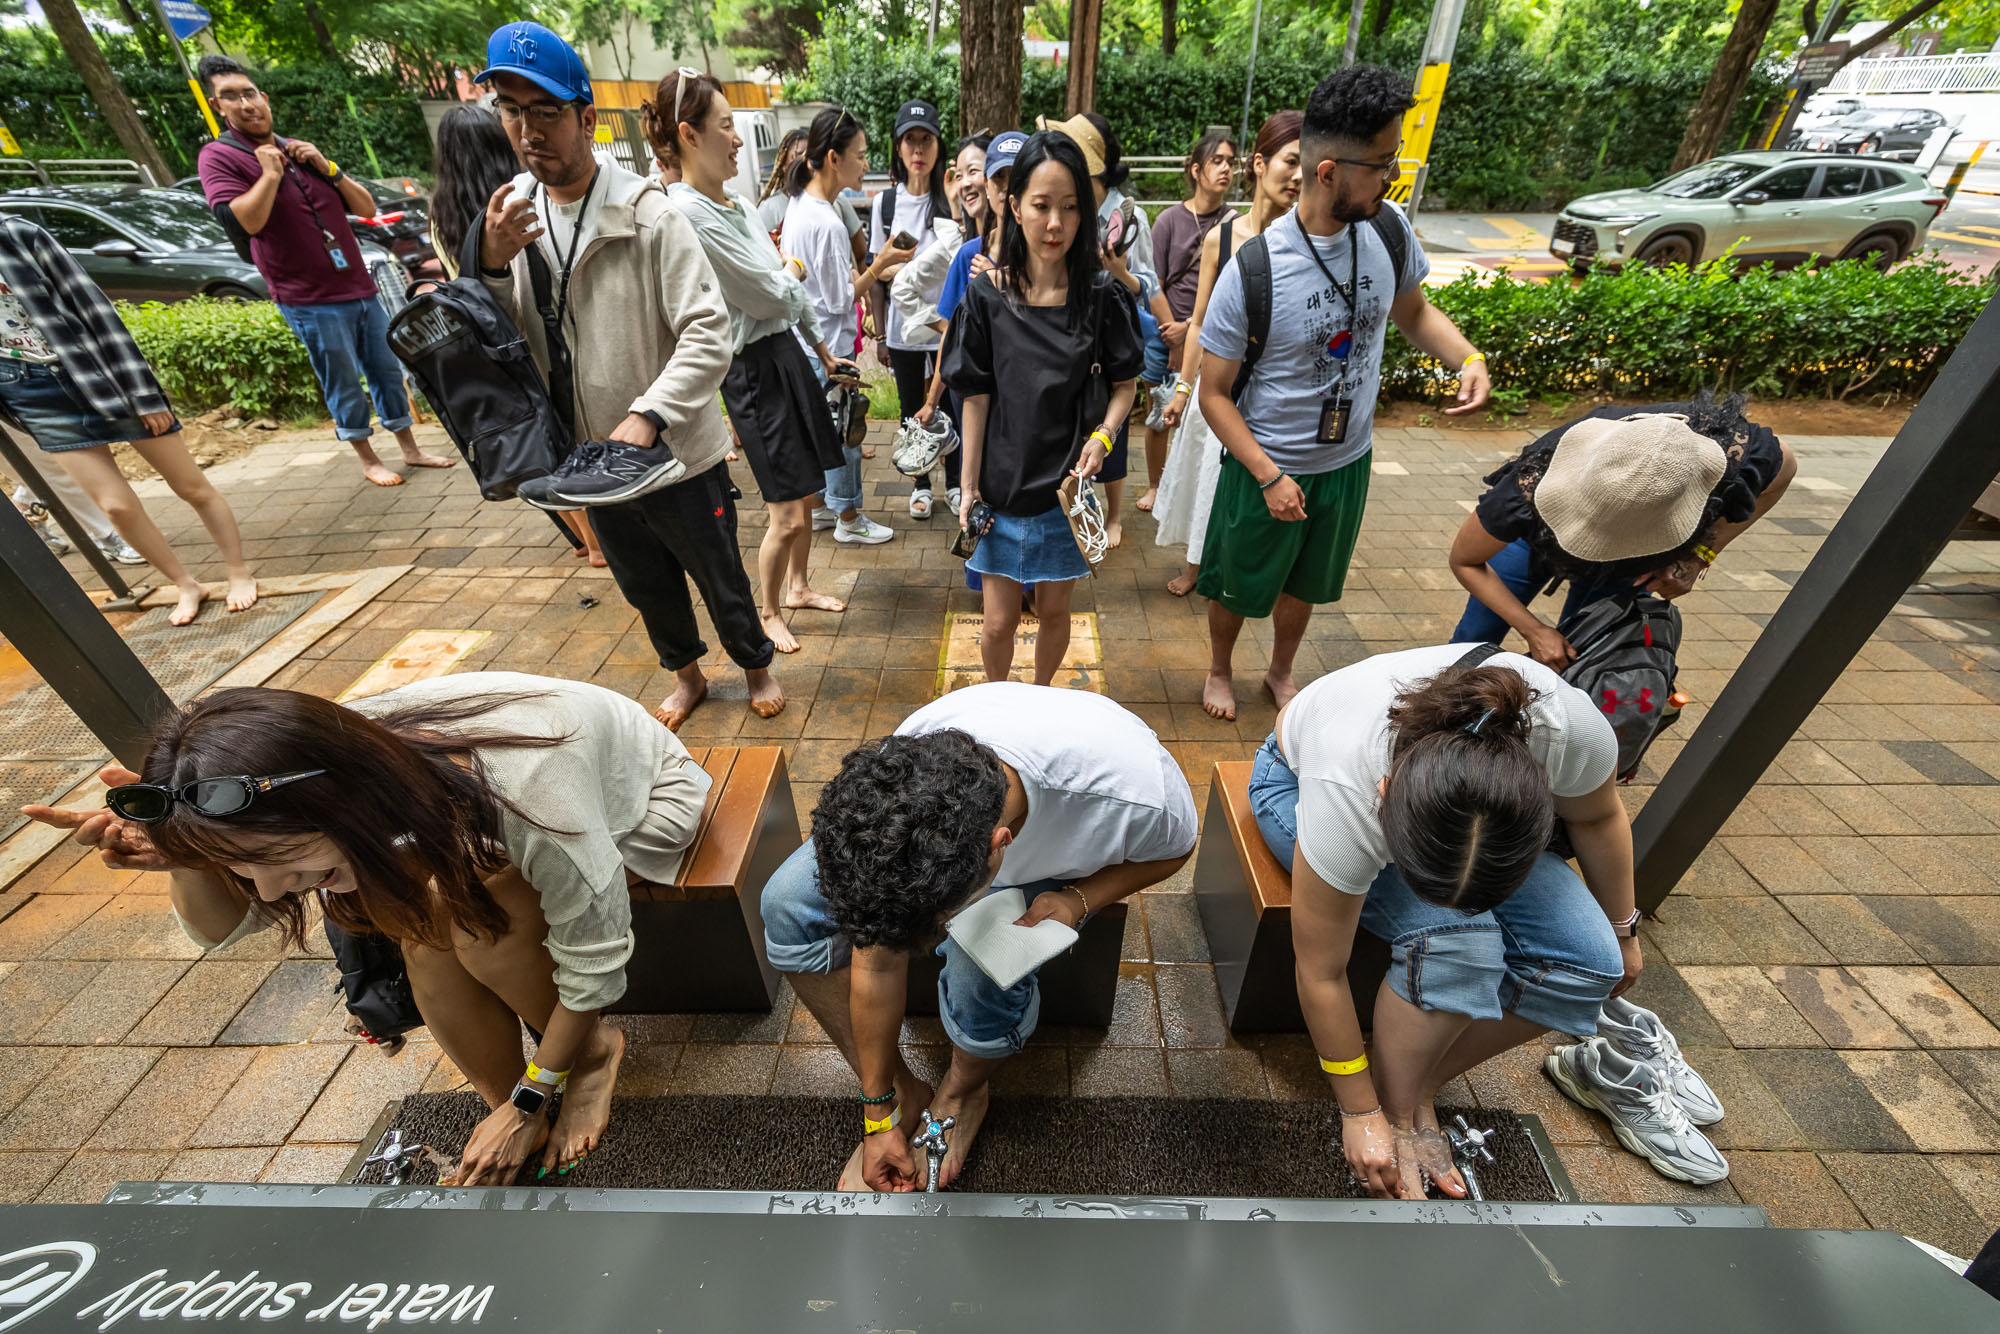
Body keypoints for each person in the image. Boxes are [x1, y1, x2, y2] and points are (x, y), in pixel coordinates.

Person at [23, 671, 715, 1185]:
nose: (271, 889)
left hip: (641, 797)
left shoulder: (535, 794)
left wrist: (540, 1096)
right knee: (425, 929)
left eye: (282, 863)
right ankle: (508, 1104)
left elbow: (596, 958)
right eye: (247, 867)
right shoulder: (308, 774)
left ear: (344, 807)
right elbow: (220, 934)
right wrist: (187, 855)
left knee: (477, 915)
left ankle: (586, 1061)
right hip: (477, 814)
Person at [1244, 646, 1699, 1200]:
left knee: (1590, 963)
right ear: (1385, 800)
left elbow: (1599, 817)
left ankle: (1420, 1088)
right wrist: (1358, 1111)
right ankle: (1397, 1112)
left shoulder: (1571, 733)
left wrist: (1623, 931)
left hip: (1459, 800)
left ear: (1537, 811)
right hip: (1291, 780)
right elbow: (1320, 971)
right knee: (1459, 946)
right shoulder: (1349, 797)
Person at [761, 683, 1197, 1191]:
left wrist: (1080, 898)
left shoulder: (1140, 799)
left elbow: (1179, 847)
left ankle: (963, 1092)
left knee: (981, 962)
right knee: (786, 902)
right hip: (968, 828)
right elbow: (878, 957)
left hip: (1068, 827)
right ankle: (902, 1093)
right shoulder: (909, 760)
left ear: (998, 847)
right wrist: (877, 1110)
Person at [471, 22, 783, 728]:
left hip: (675, 453)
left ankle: (756, 665)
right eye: (512, 111)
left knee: (720, 574)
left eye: (546, 111)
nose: (529, 130)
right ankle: (688, 677)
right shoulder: (514, 216)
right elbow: (502, 338)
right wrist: (490, 264)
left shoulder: (650, 215)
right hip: (591, 463)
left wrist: (649, 415)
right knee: (644, 583)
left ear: (586, 120)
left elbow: (708, 330)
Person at [1196, 65, 1491, 722]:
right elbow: (1213, 394)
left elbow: (1414, 312)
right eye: (1382, 165)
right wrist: (1268, 474)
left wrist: (1467, 357)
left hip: (1347, 460)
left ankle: (1281, 670)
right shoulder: (1256, 269)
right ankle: (1219, 668)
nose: (1392, 177)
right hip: (1267, 464)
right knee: (1236, 584)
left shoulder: (1388, 230)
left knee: (1306, 583)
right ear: (1329, 172)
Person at [652, 70, 853, 656]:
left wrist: (820, 347)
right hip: (751, 370)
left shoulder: (738, 203)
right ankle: (768, 612)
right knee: (785, 511)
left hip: (786, 352)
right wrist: (788, 272)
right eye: (725, 126)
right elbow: (768, 294)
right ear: (689, 135)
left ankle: (798, 587)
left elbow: (782, 292)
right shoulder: (688, 214)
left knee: (808, 495)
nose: (738, 138)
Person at [193, 55, 455, 489]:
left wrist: (328, 167)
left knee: (387, 371)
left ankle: (410, 448)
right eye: (231, 97)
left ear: (265, 97)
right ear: (217, 106)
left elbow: (366, 208)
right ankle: (368, 458)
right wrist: (269, 175)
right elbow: (246, 222)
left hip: (357, 285)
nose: (246, 104)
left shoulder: (300, 150)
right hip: (307, 297)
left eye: (250, 93)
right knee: (343, 380)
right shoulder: (218, 157)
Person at [943, 132, 1142, 685]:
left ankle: (1041, 696)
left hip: (1065, 492)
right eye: (1041, 205)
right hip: (999, 490)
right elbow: (975, 396)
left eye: (1070, 207)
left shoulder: (1101, 297)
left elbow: (1125, 385)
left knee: (1056, 613)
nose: (1055, 224)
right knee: (997, 622)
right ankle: (999, 702)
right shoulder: (986, 296)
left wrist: (1103, 437)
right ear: (1014, 206)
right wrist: (968, 486)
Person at [0, 214, 257, 626]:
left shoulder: (16, 234)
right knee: (115, 507)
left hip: (99, 373)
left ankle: (238, 571)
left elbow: (95, 310)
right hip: (29, 391)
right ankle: (185, 584)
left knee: (190, 486)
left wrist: (143, 392)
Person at [1448, 396, 1797, 666]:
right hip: (1534, 541)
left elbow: (1785, 468)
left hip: (1631, 566)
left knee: (1585, 653)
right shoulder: (1530, 483)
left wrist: (1700, 555)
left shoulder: (1735, 450)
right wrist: (1534, 630)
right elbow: (1465, 561)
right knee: (1472, 642)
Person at [427, 103, 606, 569]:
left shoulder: (440, 215)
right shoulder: (516, 200)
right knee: (561, 435)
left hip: (488, 348)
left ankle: (580, 538)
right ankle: (598, 542)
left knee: (534, 443)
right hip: (530, 338)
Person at [1153, 112, 1302, 598]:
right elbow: (1199, 322)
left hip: (1272, 391)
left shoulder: (1304, 240)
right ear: (1260, 165)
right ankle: (1197, 564)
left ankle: (1242, 568)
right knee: (1206, 476)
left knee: (1258, 479)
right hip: (1216, 385)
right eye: (1291, 162)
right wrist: (1183, 389)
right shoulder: (1222, 236)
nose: (1299, 177)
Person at [1035, 112, 1171, 551]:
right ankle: (1077, 501)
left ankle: (1114, 515)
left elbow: (1149, 285)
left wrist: (1120, 274)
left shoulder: (1129, 215)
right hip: (1069, 332)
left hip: (1112, 334)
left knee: (1114, 422)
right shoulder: (1068, 206)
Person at [784, 107, 909, 546]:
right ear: (834, 159)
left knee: (825, 430)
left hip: (807, 343)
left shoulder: (800, 205)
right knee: (845, 433)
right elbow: (841, 299)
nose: (865, 163)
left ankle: (822, 507)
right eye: (860, 154)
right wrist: (882, 263)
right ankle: (850, 517)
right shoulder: (827, 221)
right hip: (832, 349)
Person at [889, 126, 990, 519]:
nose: (966, 183)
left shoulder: (1022, 248)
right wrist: (931, 401)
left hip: (1008, 393)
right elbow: (952, 328)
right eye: (960, 174)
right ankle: (944, 488)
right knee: (976, 491)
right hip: (968, 383)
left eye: (975, 172)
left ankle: (958, 487)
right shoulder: (967, 251)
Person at [1136, 129, 1237, 515]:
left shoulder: (1235, 225)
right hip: (1164, 333)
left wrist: (1191, 329)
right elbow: (1154, 283)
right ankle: (1156, 484)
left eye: (1230, 162)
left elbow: (1229, 293)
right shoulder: (1168, 220)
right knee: (1158, 415)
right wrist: (1173, 332)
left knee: (1203, 418)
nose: (1226, 169)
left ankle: (1192, 492)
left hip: (1209, 336)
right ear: (1196, 170)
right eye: (1217, 161)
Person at [866, 100, 955, 520]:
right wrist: (882, 336)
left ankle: (954, 482)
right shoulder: (885, 204)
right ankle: (920, 484)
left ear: (938, 147)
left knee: (951, 408)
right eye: (909, 140)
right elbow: (876, 272)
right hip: (903, 330)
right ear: (898, 148)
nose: (918, 149)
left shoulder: (949, 200)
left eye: (926, 140)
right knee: (910, 409)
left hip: (945, 327)